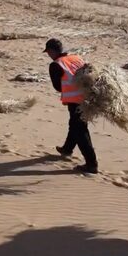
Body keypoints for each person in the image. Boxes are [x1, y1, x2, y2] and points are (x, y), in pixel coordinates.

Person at [44, 38, 98, 174]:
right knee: (75, 124)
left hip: (75, 99)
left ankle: (91, 164)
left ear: (51, 51)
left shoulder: (56, 64)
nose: (48, 55)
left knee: (80, 129)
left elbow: (57, 87)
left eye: (48, 52)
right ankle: (67, 149)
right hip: (88, 96)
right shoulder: (76, 57)